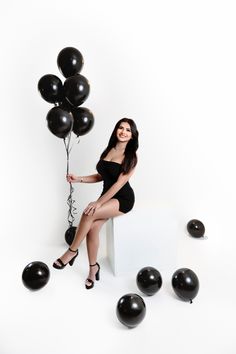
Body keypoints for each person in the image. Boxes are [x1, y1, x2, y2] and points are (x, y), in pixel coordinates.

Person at [53, 118, 139, 289]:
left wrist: (99, 203)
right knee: (92, 229)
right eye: (120, 128)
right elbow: (102, 176)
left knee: (88, 212)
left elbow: (118, 184)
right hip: (107, 196)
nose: (123, 132)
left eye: (128, 130)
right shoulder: (109, 150)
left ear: (132, 135)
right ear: (116, 130)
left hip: (123, 199)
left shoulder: (131, 157)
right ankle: (93, 269)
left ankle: (72, 251)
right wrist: (79, 179)